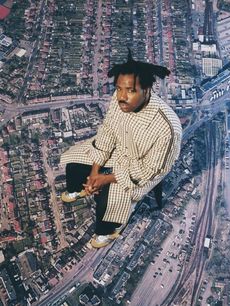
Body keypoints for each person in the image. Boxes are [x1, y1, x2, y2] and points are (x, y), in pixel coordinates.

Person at [60, 50, 182, 248]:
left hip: (144, 170)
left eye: (131, 90)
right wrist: (95, 172)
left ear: (147, 90)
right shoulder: (119, 101)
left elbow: (150, 170)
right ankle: (81, 189)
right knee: (74, 163)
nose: (122, 97)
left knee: (109, 202)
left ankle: (107, 231)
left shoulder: (167, 128)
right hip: (121, 150)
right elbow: (107, 132)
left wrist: (105, 179)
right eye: (118, 89)